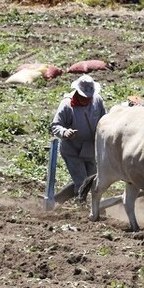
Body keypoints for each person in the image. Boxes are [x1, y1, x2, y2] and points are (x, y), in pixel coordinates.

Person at [49, 75, 107, 204]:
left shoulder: (97, 100)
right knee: (81, 182)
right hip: (72, 150)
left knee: (92, 181)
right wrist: (65, 132)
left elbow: (105, 120)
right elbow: (55, 125)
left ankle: (57, 200)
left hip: (91, 149)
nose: (87, 98)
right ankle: (82, 208)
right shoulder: (67, 105)